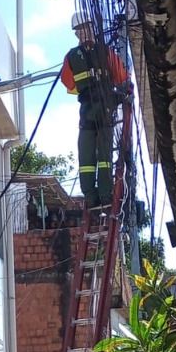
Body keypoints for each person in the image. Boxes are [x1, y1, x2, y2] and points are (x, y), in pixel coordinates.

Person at [61, 12, 129, 210]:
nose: (84, 33)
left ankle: (98, 194)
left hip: (95, 111)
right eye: (81, 30)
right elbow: (121, 77)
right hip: (99, 110)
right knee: (95, 155)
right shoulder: (98, 53)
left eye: (85, 29)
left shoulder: (79, 56)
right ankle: (97, 195)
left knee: (96, 154)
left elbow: (69, 84)